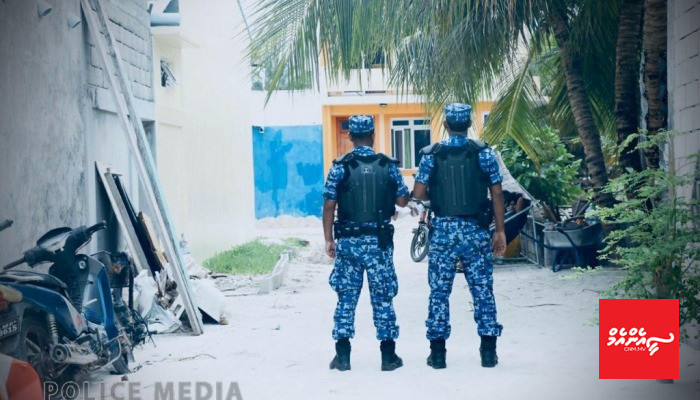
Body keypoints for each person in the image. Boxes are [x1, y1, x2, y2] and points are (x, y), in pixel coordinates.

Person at [412, 103, 507, 369]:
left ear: (445, 125)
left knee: (439, 292)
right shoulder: (483, 153)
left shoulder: (432, 154)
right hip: (475, 231)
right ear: (469, 124)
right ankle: (488, 353)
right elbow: (497, 193)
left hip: (443, 232)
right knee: (482, 290)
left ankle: (438, 354)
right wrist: (500, 230)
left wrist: (437, 192)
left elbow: (418, 194)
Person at [322, 115, 409, 372]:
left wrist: (329, 239)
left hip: (348, 242)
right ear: (372, 135)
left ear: (350, 136)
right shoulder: (387, 166)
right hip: (379, 242)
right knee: (383, 297)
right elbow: (403, 201)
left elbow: (329, 206)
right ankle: (388, 356)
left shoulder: (340, 166)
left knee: (346, 298)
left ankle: (343, 357)